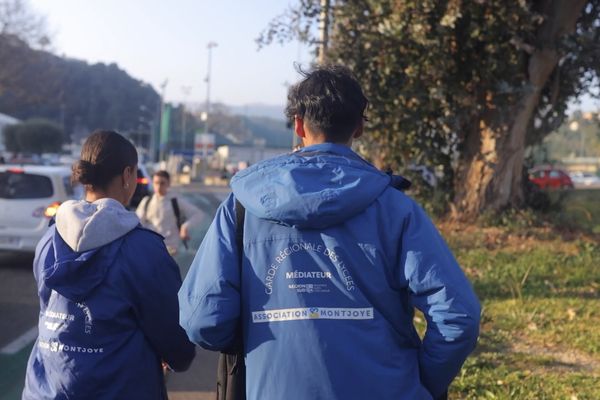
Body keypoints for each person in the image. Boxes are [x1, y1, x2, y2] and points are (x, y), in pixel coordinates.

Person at [178, 66, 480, 400]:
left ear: (297, 124)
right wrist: (421, 382)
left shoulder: (241, 208)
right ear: (359, 126)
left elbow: (202, 319)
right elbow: (458, 315)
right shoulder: (396, 209)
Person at [23, 130, 195, 400]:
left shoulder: (49, 238)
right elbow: (175, 335)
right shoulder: (143, 248)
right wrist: (179, 357)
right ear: (127, 176)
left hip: (46, 390)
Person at [136, 170, 204, 256]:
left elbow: (198, 214)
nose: (159, 186)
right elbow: (137, 223)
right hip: (150, 247)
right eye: (156, 183)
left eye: (162, 183)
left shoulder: (175, 202)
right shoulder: (147, 201)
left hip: (169, 249)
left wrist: (185, 227)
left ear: (168, 184)